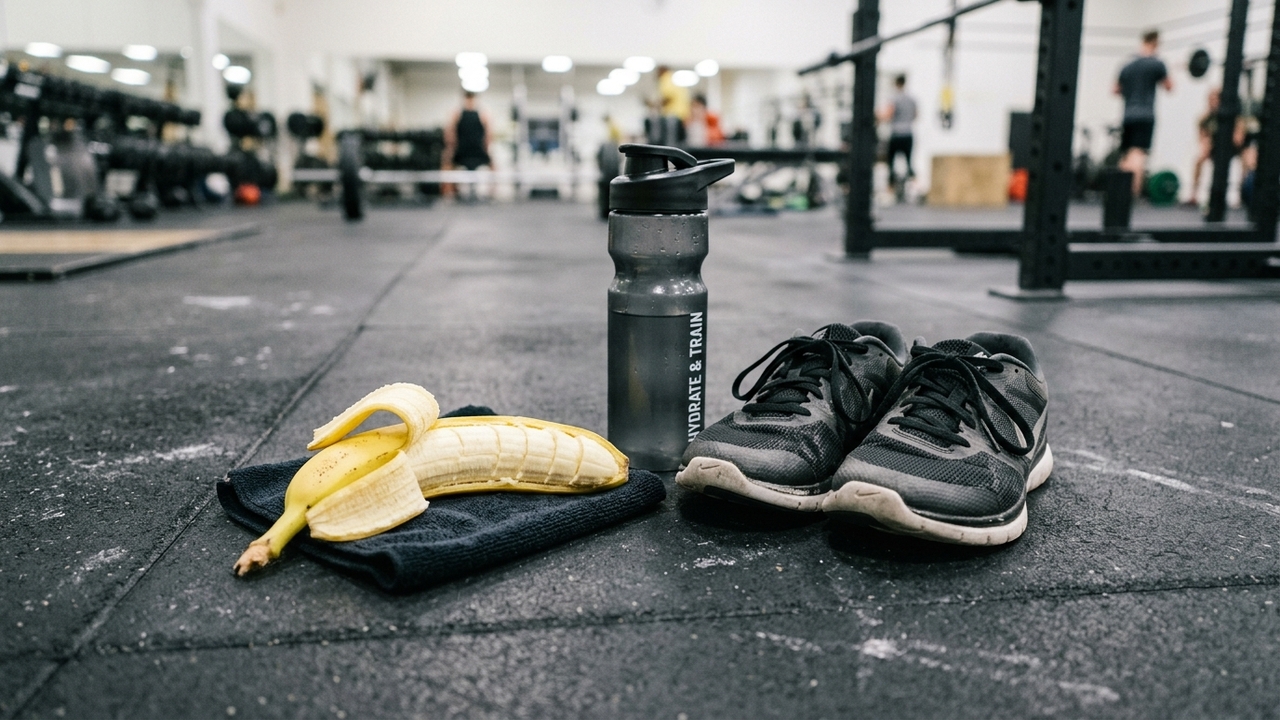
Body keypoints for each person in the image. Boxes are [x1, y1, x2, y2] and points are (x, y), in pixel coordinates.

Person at [1114, 30, 1173, 197]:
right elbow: (1170, 87)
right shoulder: (1157, 64)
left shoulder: (1127, 65)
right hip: (1145, 115)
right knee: (1138, 154)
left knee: (1127, 155)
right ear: (1155, 43)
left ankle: (1119, 192)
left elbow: (1115, 90)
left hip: (1128, 115)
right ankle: (1132, 193)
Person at [443, 91, 492, 200]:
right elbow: (450, 135)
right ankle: (450, 194)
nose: (470, 101)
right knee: (446, 165)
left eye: (471, 99)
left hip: (477, 151)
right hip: (462, 151)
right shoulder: (457, 114)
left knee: (494, 166)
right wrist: (450, 150)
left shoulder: (482, 115)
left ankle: (492, 194)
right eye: (468, 99)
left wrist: (487, 150)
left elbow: (488, 136)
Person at [877, 74, 917, 200]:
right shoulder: (912, 99)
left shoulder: (894, 99)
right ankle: (915, 190)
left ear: (896, 84)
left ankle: (890, 192)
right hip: (908, 134)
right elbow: (916, 115)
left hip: (896, 134)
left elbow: (888, 115)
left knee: (891, 164)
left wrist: (877, 116)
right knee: (909, 163)